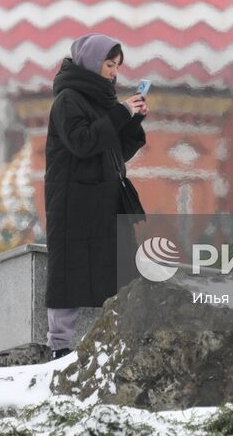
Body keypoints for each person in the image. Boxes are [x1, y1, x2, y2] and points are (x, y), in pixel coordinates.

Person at [43, 33, 148, 359]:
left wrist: (133, 120)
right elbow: (83, 141)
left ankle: (118, 342)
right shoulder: (68, 100)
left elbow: (116, 151)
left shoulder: (101, 101)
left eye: (117, 65)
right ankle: (59, 348)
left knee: (116, 270)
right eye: (109, 64)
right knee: (69, 273)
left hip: (105, 202)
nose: (114, 72)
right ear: (91, 63)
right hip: (75, 205)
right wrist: (120, 113)